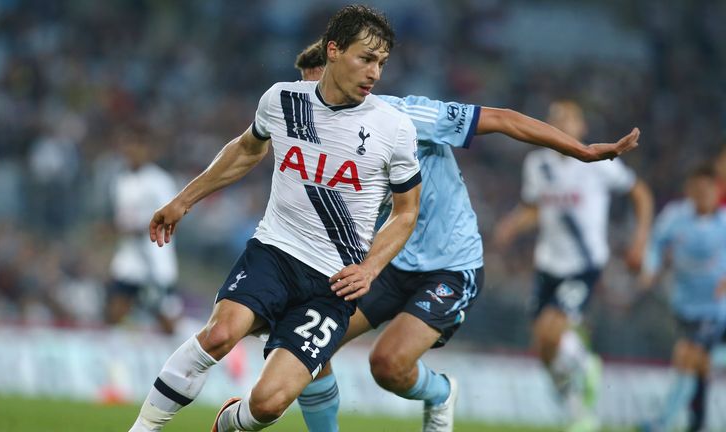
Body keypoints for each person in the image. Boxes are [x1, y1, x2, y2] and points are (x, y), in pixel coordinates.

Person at [294, 41, 642, 432]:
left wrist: (580, 151)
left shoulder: (403, 115)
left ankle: (440, 394)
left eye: (322, 87)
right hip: (387, 260)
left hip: (449, 267)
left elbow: (503, 119)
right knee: (306, 347)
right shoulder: (316, 139)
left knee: (387, 365)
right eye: (307, 93)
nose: (317, 102)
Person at [128, 6, 424, 432]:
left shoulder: (393, 128)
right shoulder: (284, 100)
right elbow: (248, 148)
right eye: (366, 58)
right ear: (334, 50)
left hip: (333, 283)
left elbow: (406, 211)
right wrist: (184, 199)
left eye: (381, 63)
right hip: (275, 252)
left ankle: (228, 424)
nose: (375, 73)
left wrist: (370, 267)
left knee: (268, 404)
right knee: (218, 335)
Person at [493, 100, 654, 431]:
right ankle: (578, 394)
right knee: (543, 345)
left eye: (569, 119)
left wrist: (640, 241)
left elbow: (640, 193)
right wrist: (511, 226)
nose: (562, 124)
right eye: (555, 119)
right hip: (548, 263)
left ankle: (581, 367)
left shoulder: (597, 162)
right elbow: (534, 208)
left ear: (582, 128)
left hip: (584, 264)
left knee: (552, 331)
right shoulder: (537, 164)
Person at [638, 164, 726, 432]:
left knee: (687, 356)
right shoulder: (675, 217)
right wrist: (649, 269)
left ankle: (661, 423)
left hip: (715, 309)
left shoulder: (724, 223)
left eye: (708, 190)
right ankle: (692, 424)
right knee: (697, 365)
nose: (703, 195)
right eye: (697, 190)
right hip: (684, 306)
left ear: (717, 191)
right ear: (689, 190)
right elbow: (655, 243)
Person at [106, 125, 182, 335]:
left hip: (155, 261)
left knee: (167, 321)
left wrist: (138, 229)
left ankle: (183, 360)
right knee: (115, 313)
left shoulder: (160, 181)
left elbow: (173, 217)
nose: (132, 150)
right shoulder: (121, 181)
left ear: (148, 149)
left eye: (137, 145)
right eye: (128, 145)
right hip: (129, 261)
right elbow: (122, 218)